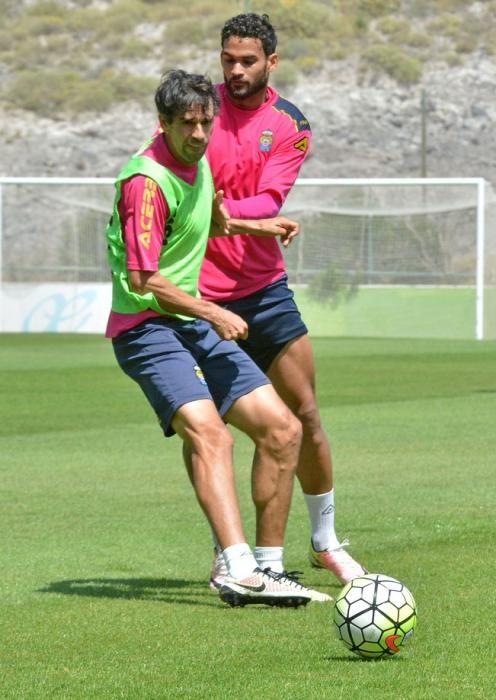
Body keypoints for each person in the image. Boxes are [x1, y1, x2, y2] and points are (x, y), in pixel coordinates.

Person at [105, 69, 331, 607]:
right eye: (188, 124)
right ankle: (236, 567)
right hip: (146, 327)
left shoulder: (197, 162)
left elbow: (215, 220)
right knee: (213, 435)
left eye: (207, 122)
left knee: (282, 428)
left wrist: (261, 227)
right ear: (163, 123)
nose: (201, 134)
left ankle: (269, 566)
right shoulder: (146, 183)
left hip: (189, 323)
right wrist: (212, 310)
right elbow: (143, 281)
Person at [199, 13, 367, 587]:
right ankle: (232, 551)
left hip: (264, 291)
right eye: (229, 59)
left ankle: (324, 540)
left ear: (272, 60)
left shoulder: (289, 122)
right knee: (212, 428)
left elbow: (272, 195)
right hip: (200, 297)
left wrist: (227, 216)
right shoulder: (198, 108)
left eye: (248, 60)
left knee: (307, 416)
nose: (237, 70)